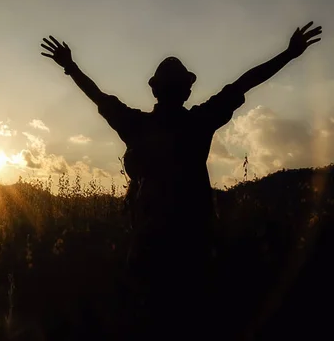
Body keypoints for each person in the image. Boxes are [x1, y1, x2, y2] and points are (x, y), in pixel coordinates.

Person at [40, 22, 322, 339]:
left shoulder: (135, 125)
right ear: (187, 91)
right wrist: (289, 54)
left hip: (149, 252)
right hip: (195, 250)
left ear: (154, 91)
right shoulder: (200, 121)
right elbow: (244, 83)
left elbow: (98, 96)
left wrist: (71, 67)